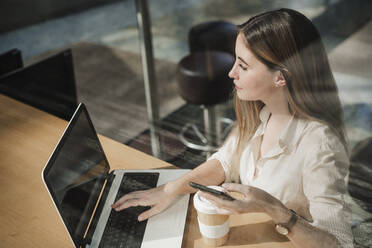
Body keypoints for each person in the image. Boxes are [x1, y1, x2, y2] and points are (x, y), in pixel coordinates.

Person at [112, 8, 353, 248]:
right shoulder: (261, 111)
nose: (231, 72)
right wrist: (171, 190)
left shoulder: (320, 145)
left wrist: (276, 211)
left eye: (243, 66)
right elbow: (225, 161)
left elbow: (340, 243)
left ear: (280, 78)